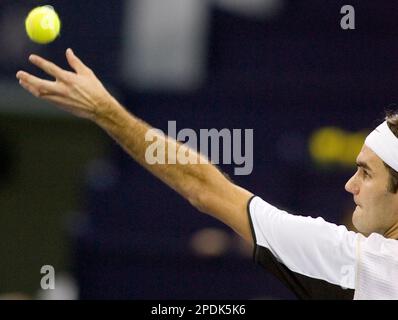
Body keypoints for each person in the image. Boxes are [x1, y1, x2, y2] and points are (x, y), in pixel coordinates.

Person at [16, 49, 398, 300]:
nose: (350, 185)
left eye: (366, 173)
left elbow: (202, 188)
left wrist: (106, 112)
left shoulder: (363, 265)